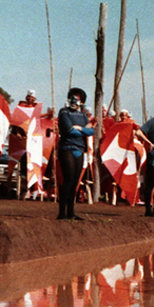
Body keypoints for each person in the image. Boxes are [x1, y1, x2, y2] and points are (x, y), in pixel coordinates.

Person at [57, 87, 94, 220]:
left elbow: (92, 131)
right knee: (68, 179)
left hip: (80, 149)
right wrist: (83, 129)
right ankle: (62, 212)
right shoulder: (64, 112)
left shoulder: (83, 115)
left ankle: (71, 212)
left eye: (77, 98)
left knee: (75, 182)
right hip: (67, 148)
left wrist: (79, 128)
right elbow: (69, 130)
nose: (74, 101)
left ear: (81, 102)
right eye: (72, 97)